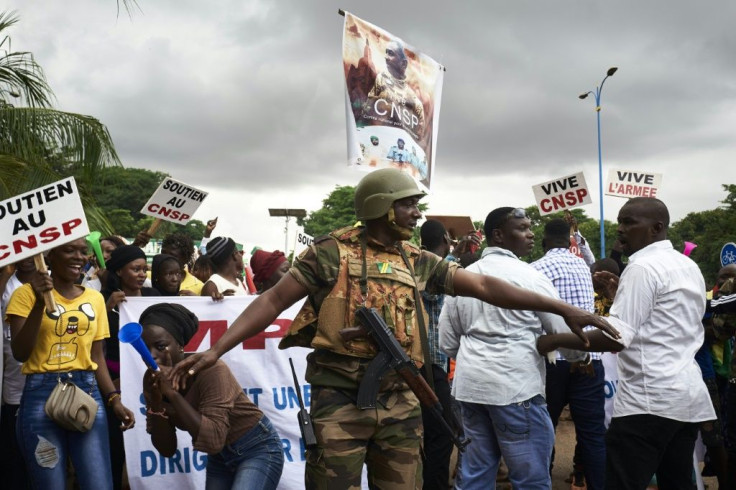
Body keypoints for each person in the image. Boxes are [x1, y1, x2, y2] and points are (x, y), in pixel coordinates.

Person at [171, 169, 616, 489]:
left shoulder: (414, 258)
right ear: (381, 206)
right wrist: (216, 350)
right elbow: (271, 301)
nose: (417, 213)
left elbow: (482, 284)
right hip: (340, 400)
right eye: (408, 203)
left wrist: (563, 308)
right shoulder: (329, 253)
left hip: (403, 399)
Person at [538, 197, 716, 489]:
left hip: (648, 402)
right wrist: (620, 291)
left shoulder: (642, 268)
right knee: (678, 482)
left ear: (657, 227)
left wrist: (553, 340)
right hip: (686, 398)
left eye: (629, 222)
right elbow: (666, 320)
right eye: (620, 221)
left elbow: (615, 336)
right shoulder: (687, 266)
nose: (620, 229)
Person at [438, 207, 589, 490]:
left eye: (529, 227)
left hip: (470, 389)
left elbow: (446, 342)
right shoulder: (531, 278)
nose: (531, 234)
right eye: (522, 228)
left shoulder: (464, 277)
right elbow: (560, 331)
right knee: (529, 478)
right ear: (498, 235)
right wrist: (580, 356)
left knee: (474, 474)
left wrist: (478, 356)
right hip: (517, 388)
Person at [7, 238, 135, 489]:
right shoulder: (25, 294)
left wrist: (114, 398)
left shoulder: (95, 298)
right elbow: (20, 352)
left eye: (83, 251)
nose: (79, 257)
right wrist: (39, 304)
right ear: (48, 256)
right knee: (50, 483)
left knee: (98, 483)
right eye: (69, 250)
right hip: (39, 398)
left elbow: (96, 357)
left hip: (87, 393)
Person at [140, 303, 283, 489]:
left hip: (257, 448)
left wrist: (172, 395)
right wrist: (157, 403)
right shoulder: (151, 381)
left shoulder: (211, 370)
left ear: (180, 345)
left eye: (160, 346)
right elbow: (166, 449)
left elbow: (214, 439)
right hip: (220, 458)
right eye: (144, 348)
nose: (152, 356)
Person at [531, 218, 605, 490]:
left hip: (554, 362)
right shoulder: (585, 268)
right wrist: (579, 237)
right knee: (593, 435)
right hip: (589, 360)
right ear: (570, 240)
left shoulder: (535, 269)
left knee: (544, 431)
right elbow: (590, 257)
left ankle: (541, 484)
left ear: (544, 240)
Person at [101, 244, 159, 489]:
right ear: (120, 272)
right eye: (135, 269)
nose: (142, 274)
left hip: (151, 385)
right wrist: (107, 308)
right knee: (117, 448)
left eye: (144, 269)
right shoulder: (103, 302)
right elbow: (91, 340)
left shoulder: (155, 296)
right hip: (116, 387)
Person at [1, 258, 35, 489]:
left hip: (43, 372)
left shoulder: (52, 280)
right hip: (11, 370)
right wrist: (5, 272)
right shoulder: (7, 282)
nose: (27, 257)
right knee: (14, 444)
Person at [361, 40, 425, 137]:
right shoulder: (381, 79)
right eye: (386, 53)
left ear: (403, 64)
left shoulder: (414, 100)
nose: (386, 57)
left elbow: (419, 134)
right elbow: (366, 111)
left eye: (391, 54)